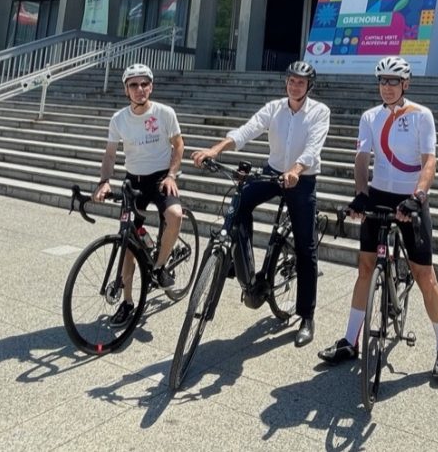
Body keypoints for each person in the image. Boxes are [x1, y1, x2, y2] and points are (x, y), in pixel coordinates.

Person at [318, 56, 438, 384]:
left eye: (394, 81)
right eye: (382, 82)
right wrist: (361, 193)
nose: (387, 87)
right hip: (379, 195)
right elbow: (362, 158)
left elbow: (429, 161)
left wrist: (418, 195)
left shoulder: (422, 115)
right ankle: (350, 341)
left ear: (405, 84)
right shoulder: (369, 117)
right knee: (365, 268)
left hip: (411, 198)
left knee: (425, 276)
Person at [192, 60, 330, 348]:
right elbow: (247, 130)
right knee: (240, 201)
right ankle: (237, 259)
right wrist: (214, 150)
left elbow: (313, 147)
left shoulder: (319, 112)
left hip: (301, 178)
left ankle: (306, 316)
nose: (295, 86)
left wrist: (296, 169)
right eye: (291, 81)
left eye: (301, 82)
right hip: (272, 171)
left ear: (309, 87)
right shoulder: (275, 108)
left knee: (305, 247)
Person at [92, 63, 185, 328]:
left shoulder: (165, 113)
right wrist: (104, 182)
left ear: (151, 86)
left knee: (175, 215)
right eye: (134, 85)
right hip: (133, 181)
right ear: (126, 90)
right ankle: (128, 302)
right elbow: (110, 154)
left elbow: (178, 144)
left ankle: (160, 266)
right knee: (128, 243)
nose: (140, 89)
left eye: (144, 84)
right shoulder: (119, 119)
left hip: (160, 178)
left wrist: (172, 174)